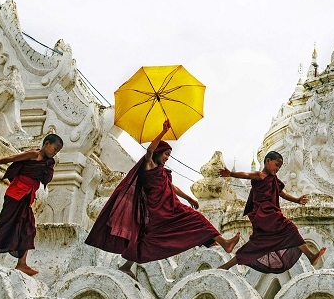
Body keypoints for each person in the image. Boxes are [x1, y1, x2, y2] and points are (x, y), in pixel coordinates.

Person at [85, 120, 240, 280]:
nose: (167, 158)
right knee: (150, 237)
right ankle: (224, 242)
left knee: (195, 220)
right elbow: (150, 150)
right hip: (158, 211)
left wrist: (189, 197)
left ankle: (223, 242)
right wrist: (163, 131)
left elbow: (172, 187)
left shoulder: (162, 172)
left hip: (172, 207)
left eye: (169, 155)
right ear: (159, 152)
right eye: (166, 154)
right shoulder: (149, 165)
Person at [217, 151, 326, 273]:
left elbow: (281, 193)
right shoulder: (260, 175)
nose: (278, 168)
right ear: (268, 161)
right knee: (290, 228)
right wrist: (230, 173)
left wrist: (296, 200)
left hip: (269, 215)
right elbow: (247, 174)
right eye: (277, 164)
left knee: (255, 245)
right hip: (265, 214)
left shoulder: (273, 179)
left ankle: (225, 267)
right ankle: (310, 255)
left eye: (280, 166)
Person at [0, 134, 64, 276]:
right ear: (46, 143)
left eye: (58, 151)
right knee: (5, 223)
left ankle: (22, 263)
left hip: (26, 198)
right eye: (55, 148)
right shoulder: (34, 154)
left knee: (29, 228)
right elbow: (11, 158)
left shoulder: (48, 162)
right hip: (15, 194)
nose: (55, 152)